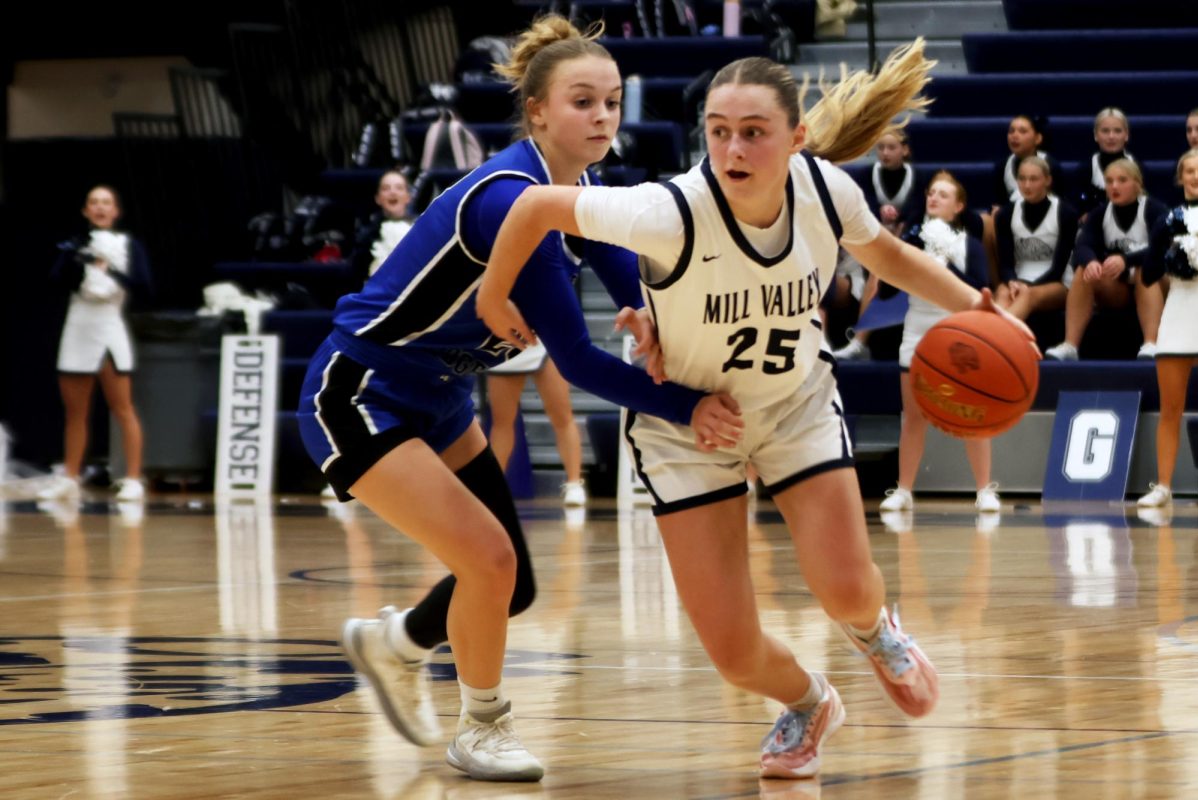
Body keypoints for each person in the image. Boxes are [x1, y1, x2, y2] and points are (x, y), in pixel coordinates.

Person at [476, 41, 1035, 778]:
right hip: (686, 430)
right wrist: (493, 294)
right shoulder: (668, 211)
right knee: (734, 654)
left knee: (844, 586)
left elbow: (888, 257)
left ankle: (875, 630)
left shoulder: (826, 191)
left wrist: (979, 308)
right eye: (717, 130)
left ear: (796, 138)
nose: (732, 149)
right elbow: (534, 204)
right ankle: (808, 702)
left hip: (793, 403)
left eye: (752, 131)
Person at [295, 15, 740, 782]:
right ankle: (482, 729)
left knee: (513, 582)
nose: (601, 116)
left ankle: (395, 643)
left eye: (611, 101)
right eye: (582, 102)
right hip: (363, 391)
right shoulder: (512, 201)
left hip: (439, 395)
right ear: (537, 111)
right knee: (490, 559)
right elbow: (578, 361)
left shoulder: (584, 186)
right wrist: (689, 405)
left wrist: (652, 314)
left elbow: (620, 273)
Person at [878, 171, 998, 514]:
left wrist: (941, 262)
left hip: (958, 333)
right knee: (913, 417)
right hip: (916, 332)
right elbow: (887, 291)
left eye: (943, 195)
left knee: (971, 414)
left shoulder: (969, 245)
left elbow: (979, 289)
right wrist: (904, 252)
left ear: (958, 206)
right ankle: (903, 490)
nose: (934, 198)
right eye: (931, 193)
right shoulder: (913, 241)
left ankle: (984, 489)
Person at [38, 185, 152, 503]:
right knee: (76, 412)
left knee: (123, 407)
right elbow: (57, 280)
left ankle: (132, 477)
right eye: (94, 203)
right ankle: (71, 477)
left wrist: (110, 268)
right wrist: (75, 257)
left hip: (110, 324)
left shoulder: (129, 245)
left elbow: (144, 286)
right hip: (79, 324)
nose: (100, 208)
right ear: (86, 211)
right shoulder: (75, 245)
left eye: (106, 202)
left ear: (116, 210)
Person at [1045, 159, 1168, 361]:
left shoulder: (1156, 210)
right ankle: (1070, 345)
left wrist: (1126, 260)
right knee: (1084, 271)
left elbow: (1161, 249)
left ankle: (1151, 343)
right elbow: (1083, 246)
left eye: (1122, 180)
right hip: (1120, 289)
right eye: (1109, 181)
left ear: (1138, 183)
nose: (1114, 186)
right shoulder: (1100, 213)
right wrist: (1091, 261)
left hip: (1157, 283)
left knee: (1142, 269)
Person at [1135, 148, 1198, 508]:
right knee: (1170, 408)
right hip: (1178, 311)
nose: (1195, 176)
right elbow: (1147, 274)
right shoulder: (1168, 218)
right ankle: (1162, 486)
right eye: (1188, 171)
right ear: (1180, 178)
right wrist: (1170, 255)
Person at [833, 131, 921, 361]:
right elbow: (860, 207)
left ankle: (860, 340)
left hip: (902, 243)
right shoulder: (865, 174)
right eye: (881, 148)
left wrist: (900, 221)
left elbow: (916, 213)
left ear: (905, 150)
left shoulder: (917, 176)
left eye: (891, 148)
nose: (885, 153)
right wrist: (876, 218)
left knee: (878, 271)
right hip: (867, 242)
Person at [487, 345, 588, 506]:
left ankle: (574, 484)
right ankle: (492, 489)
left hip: (542, 343)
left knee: (561, 415)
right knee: (502, 421)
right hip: (505, 344)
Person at [995, 156, 1079, 321]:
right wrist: (1012, 281)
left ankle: (997, 337)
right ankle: (991, 339)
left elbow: (1058, 269)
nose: (1027, 185)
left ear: (1047, 180)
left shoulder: (1065, 213)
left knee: (1027, 295)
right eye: (1022, 179)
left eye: (1033, 179)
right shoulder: (1005, 214)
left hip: (1058, 282)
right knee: (1002, 292)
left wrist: (1025, 287)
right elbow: (1005, 264)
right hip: (1018, 279)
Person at [351, 169, 415, 282]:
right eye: (386, 188)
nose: (392, 192)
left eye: (399, 188)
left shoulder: (420, 231)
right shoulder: (366, 237)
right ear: (378, 198)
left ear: (408, 197)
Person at [992, 114, 1065, 210]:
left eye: (1022, 131)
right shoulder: (1002, 166)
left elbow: (1061, 202)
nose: (1014, 136)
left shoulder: (1051, 166)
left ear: (1038, 138)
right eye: (1011, 131)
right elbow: (998, 202)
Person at [1075, 108, 1136, 215]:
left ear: (1126, 135)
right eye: (1105, 131)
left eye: (1117, 131)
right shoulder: (1084, 170)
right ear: (1095, 135)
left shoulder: (1139, 169)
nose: (1111, 137)